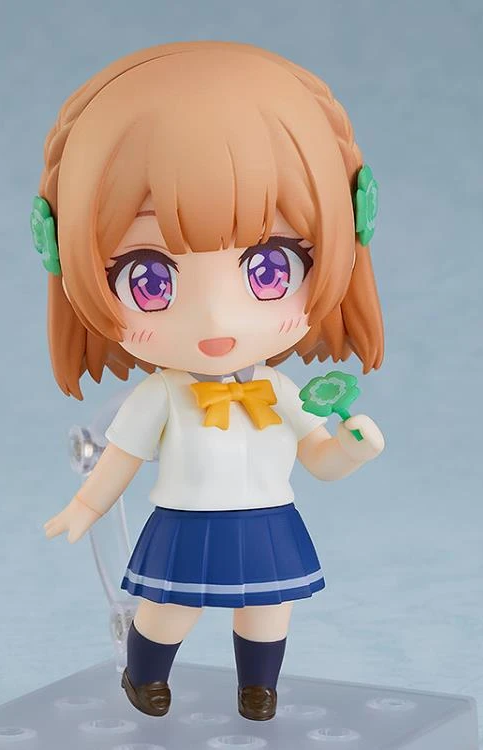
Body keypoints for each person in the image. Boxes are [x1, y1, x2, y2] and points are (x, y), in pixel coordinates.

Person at [34, 41, 385, 722]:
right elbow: (120, 459)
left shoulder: (280, 393)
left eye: (270, 269)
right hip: (187, 519)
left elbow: (318, 458)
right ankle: (144, 675)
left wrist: (353, 448)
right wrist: (85, 507)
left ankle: (259, 688)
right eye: (149, 278)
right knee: (171, 607)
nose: (217, 319)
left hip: (268, 516)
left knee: (269, 607)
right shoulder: (162, 395)